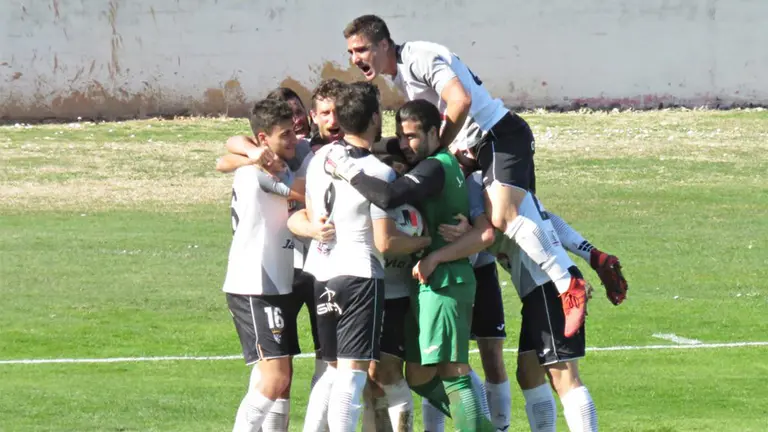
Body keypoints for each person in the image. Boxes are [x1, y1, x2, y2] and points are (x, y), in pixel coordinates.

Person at [342, 14, 605, 338]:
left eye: (362, 49)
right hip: (478, 149)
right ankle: (593, 255)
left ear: (383, 43)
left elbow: (460, 99)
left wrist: (443, 148)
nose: (356, 59)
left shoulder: (418, 57)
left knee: (505, 216)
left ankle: (568, 282)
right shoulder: (399, 75)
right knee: (525, 215)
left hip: (498, 135)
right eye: (351, 53)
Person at [324, 99, 497, 431]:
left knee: (453, 372)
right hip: (428, 282)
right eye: (401, 137)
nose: (405, 145)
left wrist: (346, 169)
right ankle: (478, 425)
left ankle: (475, 426)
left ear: (435, 132)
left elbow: (388, 197)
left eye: (413, 137)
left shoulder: (434, 167)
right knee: (418, 376)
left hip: (445, 281)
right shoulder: (443, 164)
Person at [294, 82, 419, 432]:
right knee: (352, 378)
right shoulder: (380, 173)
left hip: (323, 273)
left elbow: (309, 210)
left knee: (332, 371)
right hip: (361, 276)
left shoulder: (318, 159)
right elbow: (383, 241)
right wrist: (422, 240)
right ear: (375, 118)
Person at [216, 79, 348, 394]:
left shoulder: (304, 149)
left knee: (306, 364)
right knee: (276, 374)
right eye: (287, 125)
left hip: (304, 270)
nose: (297, 124)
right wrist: (254, 154)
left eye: (298, 115)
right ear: (266, 136)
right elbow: (225, 157)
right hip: (269, 277)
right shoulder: (264, 171)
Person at [222, 98, 303, 432]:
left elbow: (224, 156)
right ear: (263, 138)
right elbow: (303, 194)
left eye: (294, 133)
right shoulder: (257, 175)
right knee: (275, 377)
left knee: (280, 379)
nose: (293, 141)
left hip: (277, 283)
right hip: (255, 286)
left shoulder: (265, 167)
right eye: (285, 135)